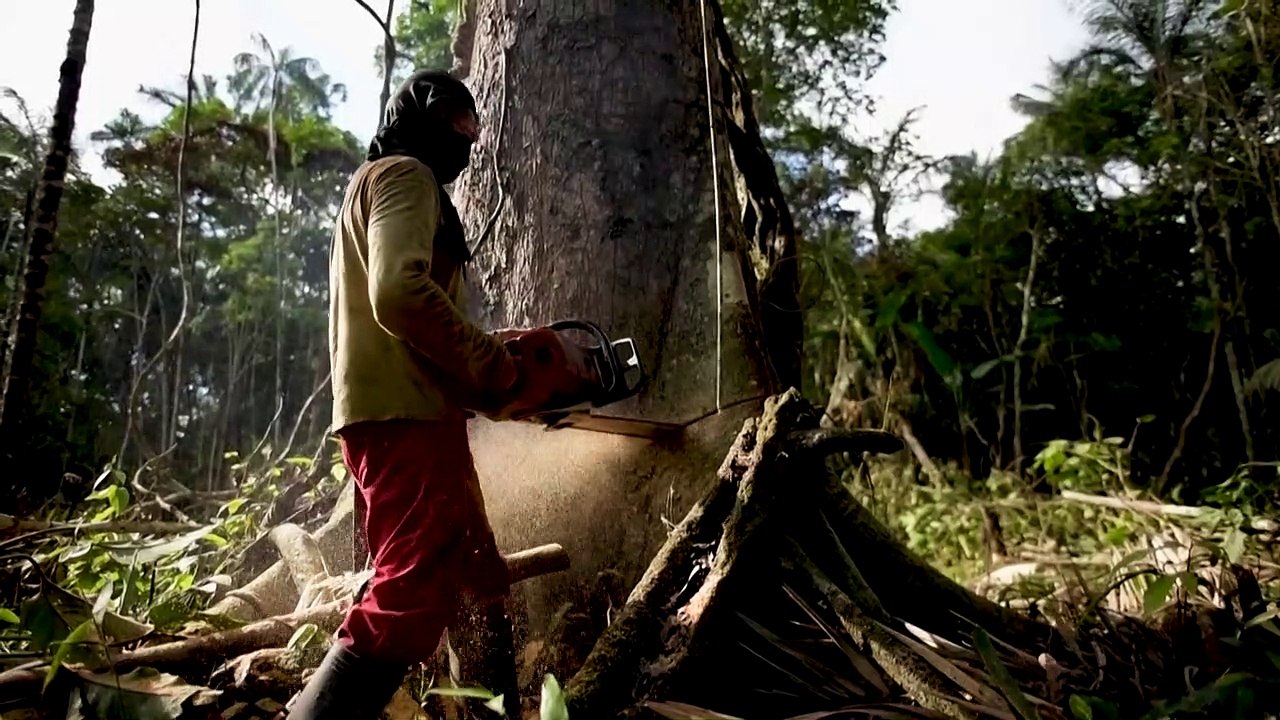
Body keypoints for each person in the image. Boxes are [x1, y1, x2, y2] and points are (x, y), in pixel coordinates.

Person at [287, 69, 573, 720]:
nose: (467, 140)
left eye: (475, 128)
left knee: (479, 580)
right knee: (411, 590)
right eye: (458, 123)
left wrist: (488, 370)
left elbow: (414, 306)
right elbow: (398, 294)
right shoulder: (404, 176)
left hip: (417, 414)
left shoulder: (384, 186)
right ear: (424, 118)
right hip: (402, 417)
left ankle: (492, 712)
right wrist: (487, 361)